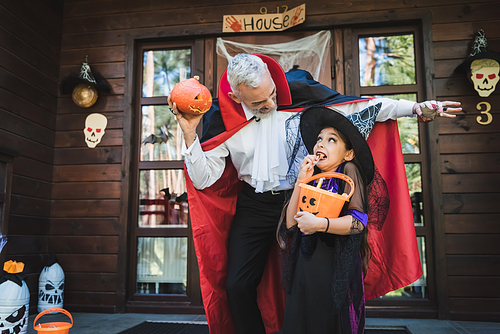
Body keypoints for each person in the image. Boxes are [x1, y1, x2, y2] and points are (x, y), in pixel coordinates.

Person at [169, 54, 461, 334]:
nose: (271, 103)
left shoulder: (299, 91)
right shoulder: (221, 118)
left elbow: (360, 107)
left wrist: (416, 108)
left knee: (313, 281)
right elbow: (204, 178)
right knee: (237, 285)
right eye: (260, 102)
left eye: (272, 93)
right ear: (236, 97)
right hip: (254, 204)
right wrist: (190, 133)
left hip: (311, 198)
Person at [278, 104, 380, 333]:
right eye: (319, 139)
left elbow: (358, 222)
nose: (321, 144)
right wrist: (300, 183)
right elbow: (290, 223)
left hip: (333, 267)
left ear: (348, 152)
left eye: (332, 140)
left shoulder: (349, 170)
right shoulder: (313, 176)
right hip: (306, 266)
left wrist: (320, 224)